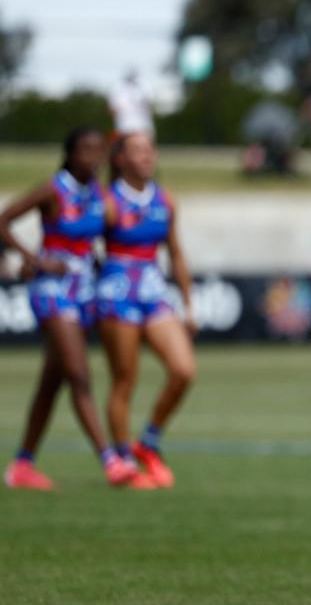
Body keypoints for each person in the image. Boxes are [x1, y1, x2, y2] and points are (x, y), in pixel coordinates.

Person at [1, 127, 141, 489]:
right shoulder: (53, 188)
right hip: (52, 291)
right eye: (85, 151)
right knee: (79, 374)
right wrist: (34, 258)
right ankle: (110, 461)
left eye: (98, 151)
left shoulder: (98, 192)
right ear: (70, 153)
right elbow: (4, 219)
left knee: (53, 381)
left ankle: (22, 466)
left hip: (84, 292)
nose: (92, 158)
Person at [97, 132, 197, 489]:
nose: (146, 156)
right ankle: (124, 463)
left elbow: (176, 253)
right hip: (117, 293)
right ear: (120, 159)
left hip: (153, 291)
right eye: (138, 150)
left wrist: (187, 304)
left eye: (150, 149)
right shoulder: (107, 201)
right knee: (125, 380)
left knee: (183, 370)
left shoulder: (164, 200)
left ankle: (148, 442)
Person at [109, 71, 155, 138]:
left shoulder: (142, 90)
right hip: (125, 127)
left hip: (142, 126)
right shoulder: (118, 91)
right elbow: (113, 110)